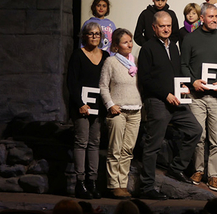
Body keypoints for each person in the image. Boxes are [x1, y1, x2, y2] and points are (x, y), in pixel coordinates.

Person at [137, 11, 202, 200]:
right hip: (158, 101)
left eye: (169, 26)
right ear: (154, 28)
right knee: (153, 145)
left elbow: (175, 73)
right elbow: (145, 79)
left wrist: (182, 88)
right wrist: (166, 95)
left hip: (176, 100)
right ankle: (147, 186)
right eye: (162, 26)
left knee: (195, 130)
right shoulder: (147, 48)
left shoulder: (173, 46)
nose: (166, 29)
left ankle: (176, 168)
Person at [181, 3, 217, 191]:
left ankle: (214, 175)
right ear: (202, 18)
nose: (215, 20)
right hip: (197, 97)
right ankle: (199, 170)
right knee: (199, 136)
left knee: (216, 139)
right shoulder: (190, 39)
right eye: (211, 17)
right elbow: (184, 65)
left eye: (216, 16)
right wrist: (193, 81)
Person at [67, 22, 109, 199]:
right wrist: (80, 104)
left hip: (98, 107)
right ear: (84, 36)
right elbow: (72, 82)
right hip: (81, 107)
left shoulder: (106, 56)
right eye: (90, 34)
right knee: (81, 142)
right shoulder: (77, 55)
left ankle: (92, 182)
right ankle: (80, 182)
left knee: (95, 143)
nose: (94, 36)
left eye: (97, 34)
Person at [99, 28, 141, 199]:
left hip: (135, 110)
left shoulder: (135, 60)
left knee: (127, 150)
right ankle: (113, 184)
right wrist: (110, 105)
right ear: (116, 46)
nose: (129, 44)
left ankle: (123, 183)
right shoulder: (110, 62)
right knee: (115, 149)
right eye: (125, 42)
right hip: (118, 111)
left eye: (130, 41)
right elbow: (103, 86)